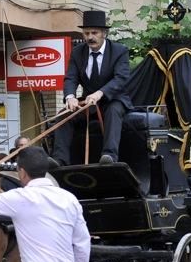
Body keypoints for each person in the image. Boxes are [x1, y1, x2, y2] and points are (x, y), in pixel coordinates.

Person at [52, 10, 133, 165]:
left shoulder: (119, 51)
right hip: (89, 103)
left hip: (113, 100)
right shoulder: (77, 52)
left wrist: (101, 93)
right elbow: (71, 78)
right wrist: (70, 97)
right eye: (86, 33)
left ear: (104, 33)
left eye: (94, 33)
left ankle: (109, 156)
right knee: (64, 115)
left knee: (114, 110)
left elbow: (121, 78)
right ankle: (59, 160)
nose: (90, 37)